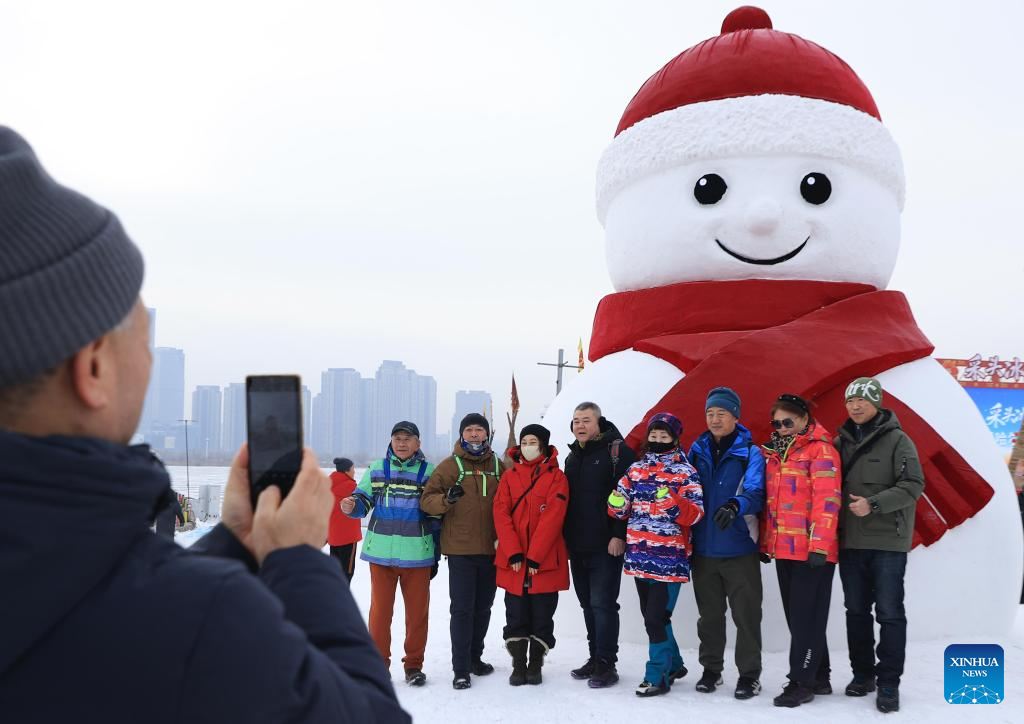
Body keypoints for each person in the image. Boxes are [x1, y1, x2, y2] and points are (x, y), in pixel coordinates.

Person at [0, 127, 409, 723]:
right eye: (143, 338)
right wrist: (295, 558)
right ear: (92, 368)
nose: (148, 358)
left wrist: (232, 544)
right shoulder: (203, 621)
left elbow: (88, 588)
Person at [835, 377, 925, 714]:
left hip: (888, 542)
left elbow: (914, 484)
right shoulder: (840, 441)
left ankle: (889, 682)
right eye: (850, 401)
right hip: (850, 542)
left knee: (889, 613)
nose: (855, 407)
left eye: (862, 400)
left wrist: (873, 504)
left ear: (877, 402)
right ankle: (863, 676)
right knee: (856, 611)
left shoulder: (898, 440)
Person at [608, 412, 704, 697]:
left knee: (655, 618)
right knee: (654, 617)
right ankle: (674, 664)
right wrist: (616, 503)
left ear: (675, 439)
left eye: (664, 436)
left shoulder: (686, 473)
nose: (658, 440)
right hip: (639, 555)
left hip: (669, 559)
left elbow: (696, 514)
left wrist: (672, 503)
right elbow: (620, 509)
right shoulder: (635, 470)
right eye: (654, 435)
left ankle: (657, 675)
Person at [761, 393, 842, 708]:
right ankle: (819, 675)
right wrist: (768, 543)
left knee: (807, 619)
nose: (782, 427)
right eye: (777, 423)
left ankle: (800, 682)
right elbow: (772, 504)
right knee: (800, 618)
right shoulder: (776, 454)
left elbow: (828, 499)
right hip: (785, 548)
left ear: (805, 419)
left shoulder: (821, 451)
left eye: (788, 421)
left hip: (812, 551)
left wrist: (819, 545)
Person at [342, 421, 435, 687]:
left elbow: (436, 512)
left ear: (418, 443)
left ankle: (414, 666)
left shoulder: (429, 472)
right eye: (397, 438)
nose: (402, 443)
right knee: (380, 614)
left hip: (417, 555)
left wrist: (438, 551)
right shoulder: (377, 469)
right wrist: (351, 506)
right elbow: (362, 501)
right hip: (381, 554)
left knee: (417, 615)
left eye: (408, 438)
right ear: (391, 441)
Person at [688, 387, 766, 699]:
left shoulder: (750, 452)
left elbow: (757, 491)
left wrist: (736, 505)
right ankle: (711, 670)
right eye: (710, 413)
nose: (715, 419)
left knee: (746, 615)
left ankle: (749, 675)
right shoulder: (696, 450)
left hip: (739, 548)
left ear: (735, 415)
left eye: (721, 413)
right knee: (709, 616)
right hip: (704, 549)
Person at [420, 413, 504, 689]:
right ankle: (460, 668)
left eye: (479, 430)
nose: (474, 435)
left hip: (492, 550)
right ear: (461, 435)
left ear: (487, 434)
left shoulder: (498, 465)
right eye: (469, 430)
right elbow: (427, 501)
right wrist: (446, 499)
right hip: (460, 551)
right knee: (462, 610)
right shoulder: (449, 466)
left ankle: (475, 658)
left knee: (484, 608)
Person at [563, 401, 636, 688]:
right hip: (577, 544)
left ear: (599, 422)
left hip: (606, 545)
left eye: (586, 420)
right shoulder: (573, 457)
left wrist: (619, 534)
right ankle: (595, 657)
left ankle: (607, 663)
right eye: (576, 421)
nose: (580, 426)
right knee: (587, 605)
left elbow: (627, 497)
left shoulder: (616, 453)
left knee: (603, 605)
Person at [493, 424, 570, 687]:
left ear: (544, 445)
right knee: (515, 614)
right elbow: (501, 514)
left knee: (542, 614)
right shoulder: (509, 476)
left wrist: (536, 556)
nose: (527, 445)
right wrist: (513, 551)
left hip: (545, 561)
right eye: (524, 441)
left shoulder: (557, 477)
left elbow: (553, 517)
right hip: (513, 561)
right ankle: (518, 665)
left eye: (533, 441)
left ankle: (535, 664)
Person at [329, 457, 362, 582]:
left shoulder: (327, 485)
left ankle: (332, 597)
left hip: (333, 535)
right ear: (347, 471)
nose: (354, 471)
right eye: (353, 468)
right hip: (348, 536)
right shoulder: (352, 487)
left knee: (335, 572)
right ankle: (342, 599)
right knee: (347, 573)